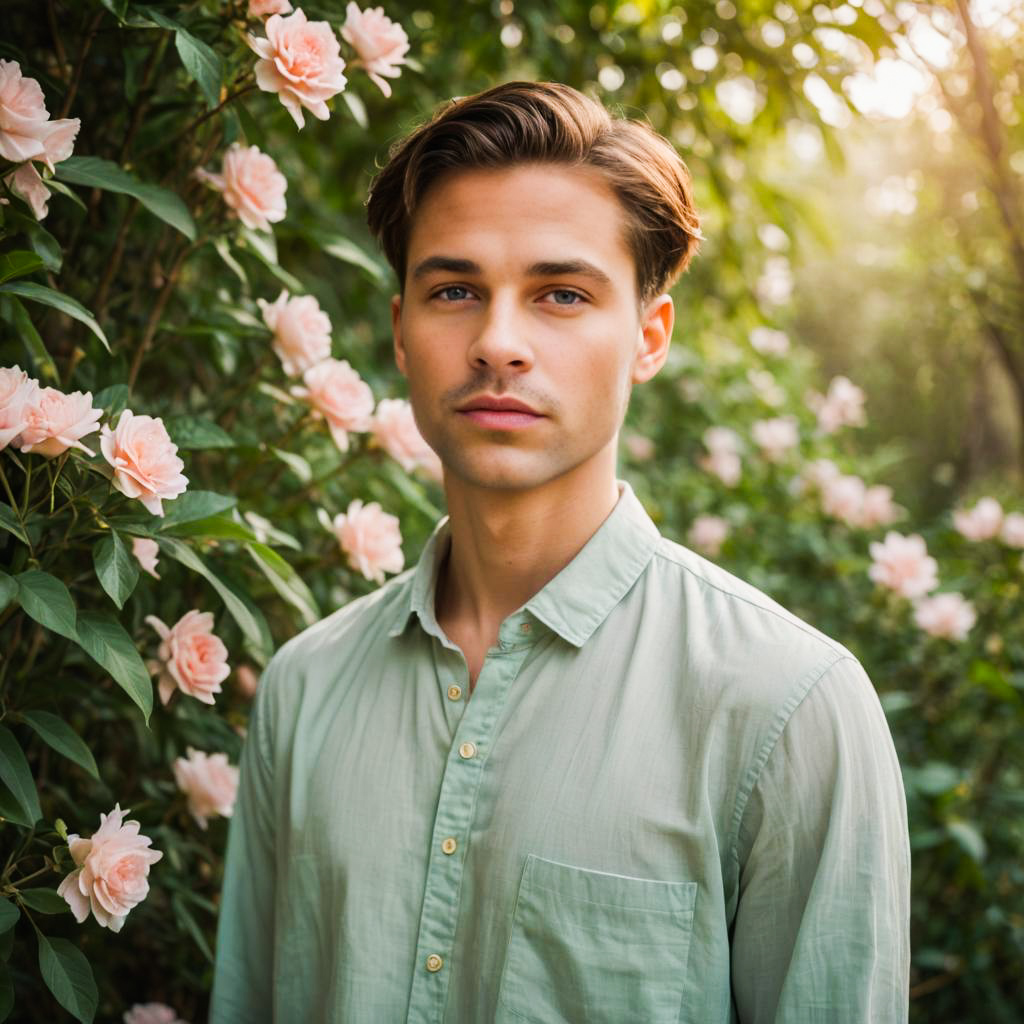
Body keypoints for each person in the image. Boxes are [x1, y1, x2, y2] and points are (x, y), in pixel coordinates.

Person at [210, 81, 910, 1023]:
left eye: (562, 294)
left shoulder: (788, 712)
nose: (499, 343)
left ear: (648, 337)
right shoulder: (304, 688)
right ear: (402, 336)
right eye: (455, 290)